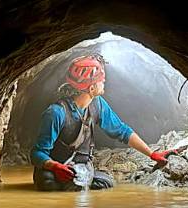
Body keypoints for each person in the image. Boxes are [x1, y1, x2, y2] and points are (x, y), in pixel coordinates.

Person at [30, 53, 177, 191]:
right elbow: (37, 153)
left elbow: (122, 131)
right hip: (54, 170)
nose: (104, 81)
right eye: (101, 79)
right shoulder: (56, 113)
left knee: (106, 183)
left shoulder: (97, 104)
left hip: (80, 168)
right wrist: (55, 167)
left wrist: (152, 154)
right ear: (91, 87)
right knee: (48, 183)